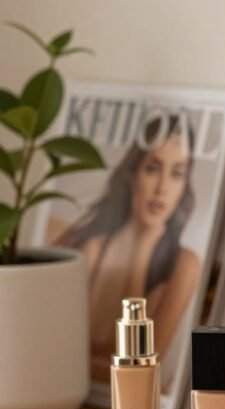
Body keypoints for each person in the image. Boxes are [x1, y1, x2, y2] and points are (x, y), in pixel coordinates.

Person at [58, 115, 200, 382]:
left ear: (184, 185)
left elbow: (138, 373)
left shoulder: (184, 265)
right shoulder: (86, 244)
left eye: (177, 173)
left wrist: (144, 249)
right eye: (153, 168)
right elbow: (48, 347)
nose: (162, 188)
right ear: (133, 174)